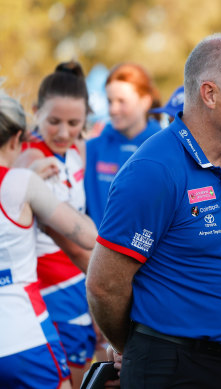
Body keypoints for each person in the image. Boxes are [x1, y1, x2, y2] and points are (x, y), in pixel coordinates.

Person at [86, 33, 221, 388]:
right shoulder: (153, 169)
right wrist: (134, 347)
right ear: (209, 94)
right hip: (171, 366)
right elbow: (104, 285)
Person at [0, 90, 97, 389]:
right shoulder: (19, 182)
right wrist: (32, 180)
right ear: (17, 138)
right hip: (21, 337)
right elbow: (88, 237)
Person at [84, 62, 161, 227]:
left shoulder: (165, 148)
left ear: (145, 101)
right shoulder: (91, 149)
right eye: (110, 101)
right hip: (95, 249)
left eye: (121, 101)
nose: (113, 109)